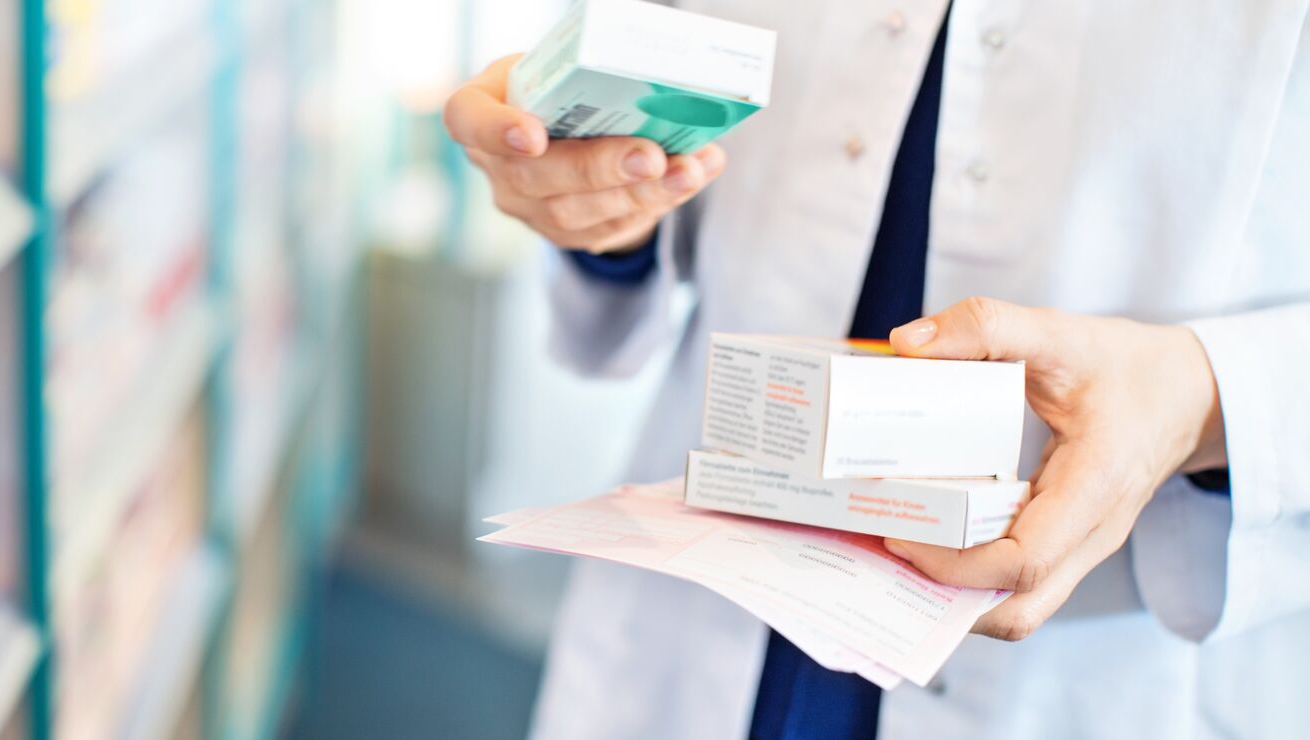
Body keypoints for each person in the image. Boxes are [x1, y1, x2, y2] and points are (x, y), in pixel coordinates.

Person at [444, 3, 1310, 738]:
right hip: (702, 601)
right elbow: (664, 170)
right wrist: (596, 203)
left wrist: (1200, 398)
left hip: (1105, 654)